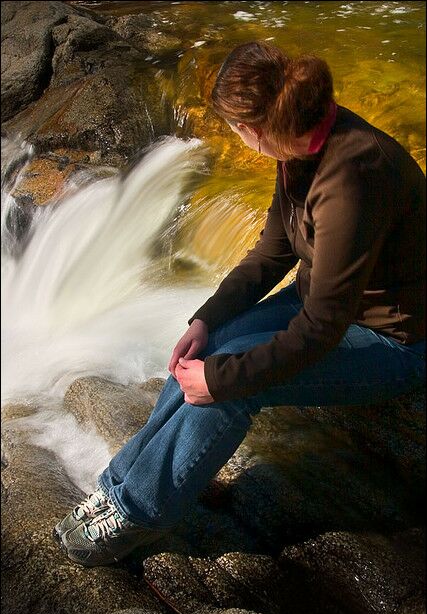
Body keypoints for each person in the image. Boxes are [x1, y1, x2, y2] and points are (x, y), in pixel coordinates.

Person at [54, 41, 426, 567]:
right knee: (211, 347)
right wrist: (207, 317)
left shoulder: (353, 178)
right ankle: (119, 486)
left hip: (395, 340)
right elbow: (271, 253)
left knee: (226, 387)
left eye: (232, 129)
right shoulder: (302, 144)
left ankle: (134, 512)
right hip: (322, 304)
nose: (234, 138)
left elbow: (321, 329)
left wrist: (223, 380)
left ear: (255, 130)